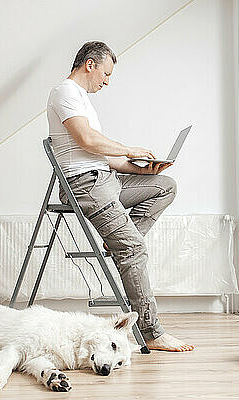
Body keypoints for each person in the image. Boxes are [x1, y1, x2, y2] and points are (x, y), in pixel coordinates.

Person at [46, 41, 194, 352]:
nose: (107, 81)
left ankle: (118, 245)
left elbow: (99, 155)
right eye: (106, 74)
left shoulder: (82, 99)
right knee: (134, 249)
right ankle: (151, 331)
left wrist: (145, 170)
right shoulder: (65, 93)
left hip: (104, 178)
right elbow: (87, 140)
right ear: (90, 64)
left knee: (165, 185)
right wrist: (129, 148)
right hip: (85, 185)